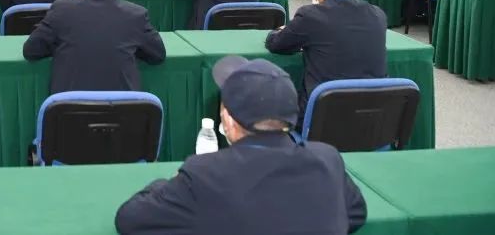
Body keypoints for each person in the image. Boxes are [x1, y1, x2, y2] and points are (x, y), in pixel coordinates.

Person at [114, 56, 366, 235]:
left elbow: (130, 219)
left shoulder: (205, 175)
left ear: (228, 120)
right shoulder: (328, 160)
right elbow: (355, 213)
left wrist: (164, 183)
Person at [23, 0, 166, 94]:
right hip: (123, 107)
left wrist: (59, 45)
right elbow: (157, 55)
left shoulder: (61, 9)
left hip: (70, 106)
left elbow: (31, 50)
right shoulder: (136, 14)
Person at [266, 0, 387, 119]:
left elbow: (276, 44)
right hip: (373, 121)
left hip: (322, 120)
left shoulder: (310, 15)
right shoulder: (378, 14)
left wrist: (277, 31)